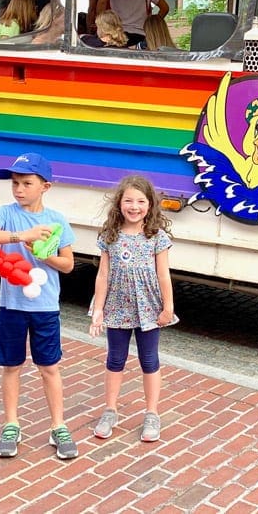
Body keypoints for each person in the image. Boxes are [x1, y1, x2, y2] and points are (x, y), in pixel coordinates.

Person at [0, 152, 78, 460]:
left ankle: (58, 426)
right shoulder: (6, 213)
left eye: (26, 183)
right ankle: (11, 424)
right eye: (15, 183)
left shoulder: (57, 220)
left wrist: (45, 256)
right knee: (12, 366)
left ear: (45, 186)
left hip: (45, 308)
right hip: (12, 306)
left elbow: (69, 264)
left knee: (49, 367)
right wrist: (23, 236)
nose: (19, 189)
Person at [89, 174, 175, 443]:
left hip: (149, 308)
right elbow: (103, 275)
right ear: (119, 203)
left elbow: (164, 275)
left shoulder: (156, 237)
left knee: (149, 360)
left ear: (150, 205)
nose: (134, 206)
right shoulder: (110, 235)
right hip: (117, 306)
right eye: (128, 200)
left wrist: (168, 307)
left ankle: (152, 413)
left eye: (140, 201)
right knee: (115, 359)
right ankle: (110, 409)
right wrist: (98, 309)